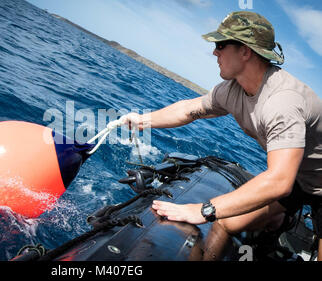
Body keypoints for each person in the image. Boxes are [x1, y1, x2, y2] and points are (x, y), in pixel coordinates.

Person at [121, 11, 322, 261]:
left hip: (305, 180)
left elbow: (279, 180)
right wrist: (143, 120)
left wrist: (203, 210)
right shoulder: (232, 90)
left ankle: (281, 216)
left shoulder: (282, 102)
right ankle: (281, 216)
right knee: (226, 222)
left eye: (220, 45)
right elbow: (188, 109)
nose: (214, 52)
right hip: (298, 178)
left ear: (245, 51)